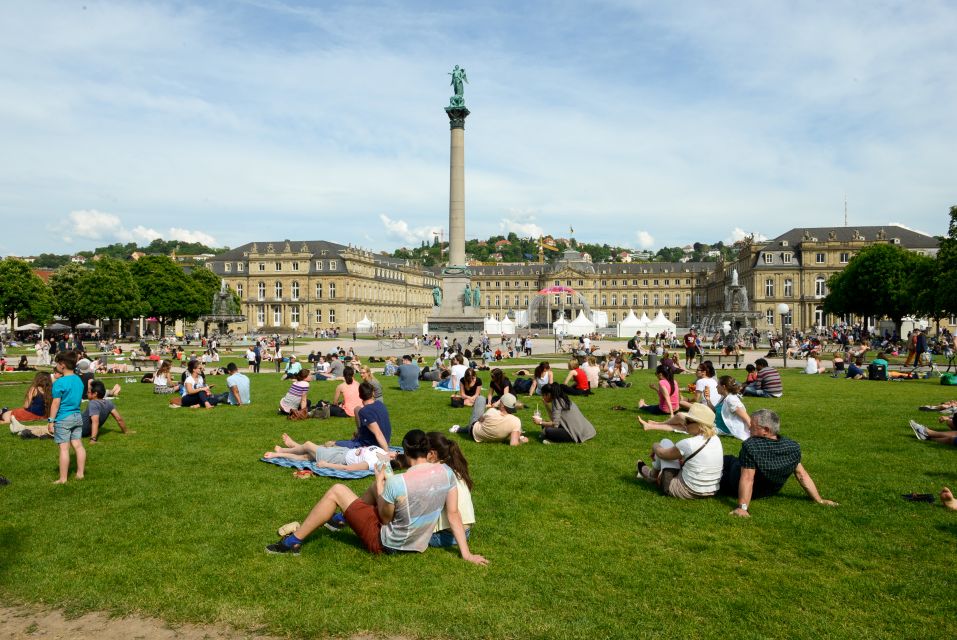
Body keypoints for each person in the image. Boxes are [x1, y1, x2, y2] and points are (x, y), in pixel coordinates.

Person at [265, 429, 487, 565]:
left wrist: (382, 485)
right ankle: (343, 518)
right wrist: (466, 554)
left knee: (337, 490)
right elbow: (454, 513)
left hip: (388, 543)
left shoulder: (398, 482)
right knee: (372, 489)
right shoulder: (447, 473)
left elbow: (386, 518)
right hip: (418, 542)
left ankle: (292, 542)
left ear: (406, 452)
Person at [722, 409, 838, 517]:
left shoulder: (751, 446)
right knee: (730, 459)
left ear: (766, 430)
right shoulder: (792, 447)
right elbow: (802, 475)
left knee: (716, 468)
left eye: (752, 426)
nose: (749, 428)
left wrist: (742, 508)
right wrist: (819, 499)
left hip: (736, 483)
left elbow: (748, 478)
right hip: (768, 491)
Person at [635, 403, 723, 499]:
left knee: (665, 442)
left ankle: (652, 476)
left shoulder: (688, 443)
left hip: (686, 490)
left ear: (700, 425)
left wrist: (654, 445)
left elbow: (661, 453)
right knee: (672, 452)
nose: (684, 423)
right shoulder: (716, 439)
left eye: (688, 421)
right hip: (712, 490)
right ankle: (653, 474)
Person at [426, 432, 477, 547]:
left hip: (447, 536)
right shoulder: (454, 468)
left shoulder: (437, 474)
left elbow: (453, 513)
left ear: (432, 454)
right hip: (465, 531)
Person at [48, 351, 86, 484]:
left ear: (62, 365)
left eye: (57, 363)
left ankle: (63, 479)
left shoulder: (59, 382)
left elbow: (56, 403)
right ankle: (80, 473)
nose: (56, 366)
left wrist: (51, 420)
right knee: (78, 445)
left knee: (64, 448)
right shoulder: (79, 380)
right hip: (77, 416)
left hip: (63, 418)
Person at [264, 433, 389, 471]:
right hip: (344, 451)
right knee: (306, 457)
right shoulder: (383, 451)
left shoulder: (376, 462)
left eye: (396, 455)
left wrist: (327, 465)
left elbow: (350, 468)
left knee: (308, 445)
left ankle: (283, 450)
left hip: (339, 458)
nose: (395, 453)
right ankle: (288, 449)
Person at [450, 393, 525, 446]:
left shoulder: (492, 411)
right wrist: (523, 440)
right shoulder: (516, 421)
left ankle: (459, 429)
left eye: (500, 401)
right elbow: (514, 444)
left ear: (502, 405)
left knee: (481, 398)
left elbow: (479, 420)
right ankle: (459, 429)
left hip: (474, 433)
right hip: (490, 436)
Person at [334, 381, 391, 450]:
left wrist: (387, 453)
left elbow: (378, 433)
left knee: (331, 444)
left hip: (371, 445)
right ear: (373, 393)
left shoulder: (365, 411)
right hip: (385, 441)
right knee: (357, 409)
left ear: (359, 395)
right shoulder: (380, 404)